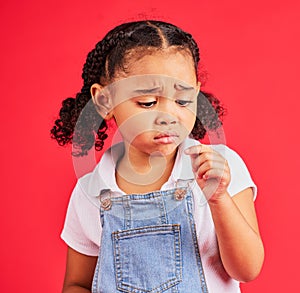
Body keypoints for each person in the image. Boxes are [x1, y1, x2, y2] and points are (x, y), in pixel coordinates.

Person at [51, 20, 264, 293]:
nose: (168, 116)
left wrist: (219, 198)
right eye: (148, 103)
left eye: (183, 101)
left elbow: (247, 270)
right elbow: (77, 283)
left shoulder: (221, 167)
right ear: (104, 101)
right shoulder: (91, 191)